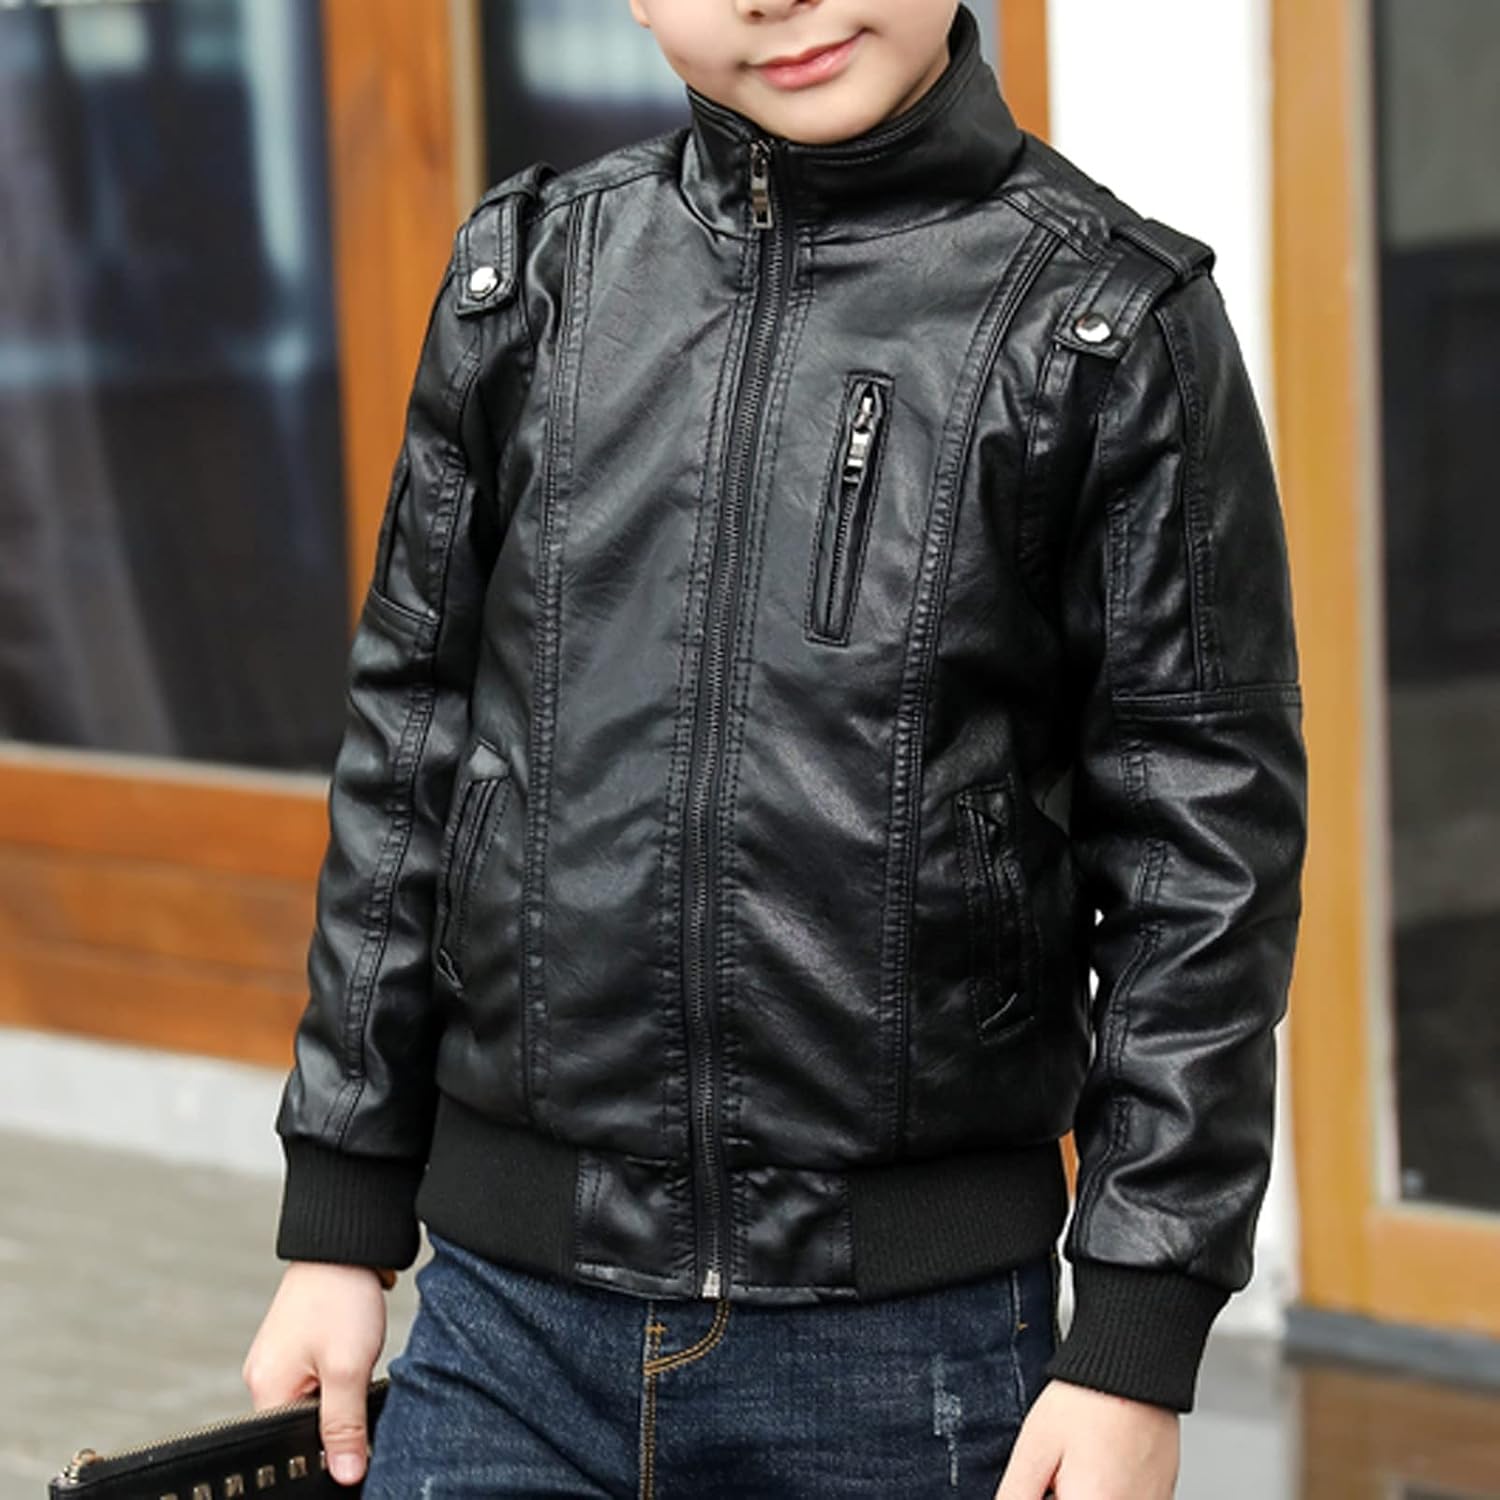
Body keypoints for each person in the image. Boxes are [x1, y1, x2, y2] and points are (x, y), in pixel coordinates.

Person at [241, 2, 1308, 1496]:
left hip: (906, 1352)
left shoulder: (1108, 324)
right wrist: (341, 1221)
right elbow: (408, 748)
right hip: (505, 1328)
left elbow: (1204, 860)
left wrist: (1136, 1332)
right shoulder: (530, 278)